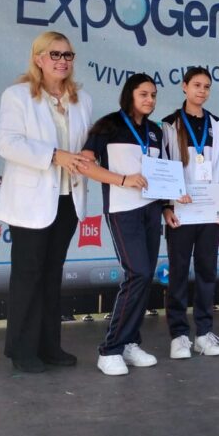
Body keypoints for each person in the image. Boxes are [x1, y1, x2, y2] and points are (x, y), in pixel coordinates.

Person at [0, 32, 91, 373]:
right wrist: (53, 155)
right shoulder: (17, 95)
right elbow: (7, 144)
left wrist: (88, 153)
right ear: (38, 58)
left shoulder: (81, 99)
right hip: (30, 202)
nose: (62, 61)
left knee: (52, 275)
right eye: (55, 54)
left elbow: (83, 144)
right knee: (28, 276)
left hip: (68, 199)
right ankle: (22, 351)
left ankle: (50, 347)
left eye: (68, 55)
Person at [78, 73, 166, 376]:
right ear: (130, 94)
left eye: (153, 95)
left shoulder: (155, 131)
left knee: (146, 276)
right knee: (136, 273)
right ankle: (110, 349)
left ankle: (130, 342)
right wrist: (123, 179)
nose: (150, 100)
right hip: (122, 210)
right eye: (144, 94)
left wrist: (171, 197)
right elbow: (85, 164)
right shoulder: (108, 125)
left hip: (151, 210)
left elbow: (163, 171)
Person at [160, 67, 219, 359]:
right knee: (178, 273)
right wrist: (166, 206)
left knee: (207, 272)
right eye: (196, 85)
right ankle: (179, 335)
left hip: (210, 212)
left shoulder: (216, 124)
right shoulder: (169, 124)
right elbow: (163, 168)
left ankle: (203, 333)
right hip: (181, 212)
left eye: (206, 86)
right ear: (184, 86)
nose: (202, 91)